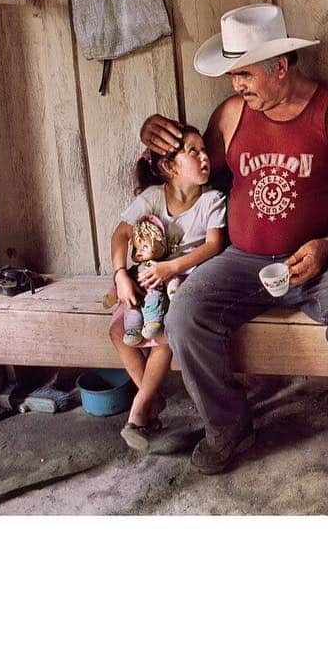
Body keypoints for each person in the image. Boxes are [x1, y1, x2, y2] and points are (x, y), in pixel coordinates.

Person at [140, 3, 328, 479]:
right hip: (244, 260)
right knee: (186, 312)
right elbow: (192, 172)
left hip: (322, 258)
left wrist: (327, 245)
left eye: (245, 74)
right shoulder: (232, 115)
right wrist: (155, 137)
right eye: (233, 75)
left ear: (280, 66)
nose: (237, 85)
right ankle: (229, 428)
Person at [108, 126, 227, 452]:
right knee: (119, 332)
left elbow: (214, 245)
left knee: (161, 335)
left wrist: (171, 267)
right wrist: (120, 275)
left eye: (205, 150)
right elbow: (120, 235)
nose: (205, 157)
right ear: (169, 168)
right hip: (149, 279)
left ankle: (138, 412)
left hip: (185, 282)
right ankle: (154, 399)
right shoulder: (152, 198)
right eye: (194, 151)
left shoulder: (211, 201)